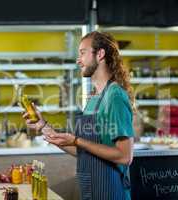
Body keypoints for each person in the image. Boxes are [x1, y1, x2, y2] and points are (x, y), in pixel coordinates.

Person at [23, 31, 135, 200]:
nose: (78, 60)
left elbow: (124, 156)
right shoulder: (94, 98)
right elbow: (82, 150)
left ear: (100, 54)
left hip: (111, 192)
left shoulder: (115, 96)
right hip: (91, 190)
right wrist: (42, 126)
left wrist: (76, 140)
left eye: (83, 53)